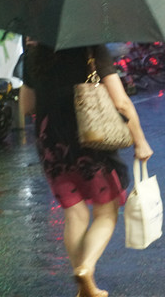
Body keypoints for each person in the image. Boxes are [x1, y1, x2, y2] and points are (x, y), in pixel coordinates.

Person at [22, 43, 153, 297]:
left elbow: (27, 107)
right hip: (90, 137)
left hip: (51, 142)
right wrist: (140, 141)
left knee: (74, 213)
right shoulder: (90, 49)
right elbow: (121, 103)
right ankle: (86, 267)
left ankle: (85, 289)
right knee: (107, 212)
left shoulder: (33, 55)